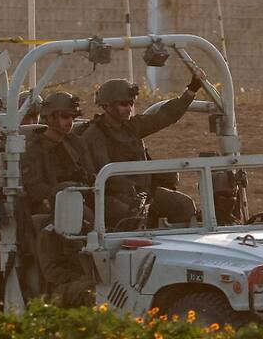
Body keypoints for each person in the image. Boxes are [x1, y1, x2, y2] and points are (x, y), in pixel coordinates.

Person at [80, 73, 206, 229]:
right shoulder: (94, 135)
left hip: (143, 194)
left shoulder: (132, 126)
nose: (129, 108)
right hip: (111, 197)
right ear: (106, 106)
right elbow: (104, 173)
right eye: (123, 104)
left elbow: (165, 116)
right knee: (132, 216)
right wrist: (134, 195)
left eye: (131, 104)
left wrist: (191, 90)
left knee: (184, 205)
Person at [21, 92, 95, 215]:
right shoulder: (34, 149)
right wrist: (62, 190)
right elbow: (34, 188)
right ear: (49, 117)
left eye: (73, 117)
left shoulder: (76, 143)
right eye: (65, 116)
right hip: (52, 206)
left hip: (81, 198)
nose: (70, 121)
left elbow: (89, 174)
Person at [36, 220, 94, 307]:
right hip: (59, 288)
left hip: (86, 279)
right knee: (94, 290)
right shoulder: (49, 234)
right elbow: (50, 272)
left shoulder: (84, 226)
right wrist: (79, 277)